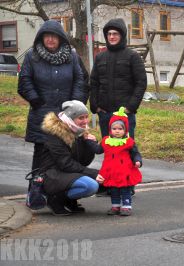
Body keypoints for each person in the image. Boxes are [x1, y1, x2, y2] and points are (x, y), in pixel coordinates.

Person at [18, 20, 85, 171]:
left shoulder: (72, 56)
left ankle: (59, 192)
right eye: (46, 36)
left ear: (60, 38)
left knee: (65, 155)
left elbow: (80, 80)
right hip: (41, 113)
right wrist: (36, 101)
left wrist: (74, 104)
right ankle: (35, 191)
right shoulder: (31, 56)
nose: (50, 39)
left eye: (54, 36)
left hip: (66, 115)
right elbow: (24, 81)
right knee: (41, 154)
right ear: (41, 37)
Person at [40, 100, 100, 216]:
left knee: (109, 179)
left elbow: (84, 161)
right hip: (53, 175)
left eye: (86, 117)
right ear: (70, 119)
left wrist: (90, 145)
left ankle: (68, 200)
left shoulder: (79, 131)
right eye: (81, 118)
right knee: (91, 185)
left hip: (69, 173)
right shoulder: (55, 134)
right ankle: (55, 200)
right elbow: (65, 164)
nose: (85, 121)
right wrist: (94, 173)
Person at [90, 18, 147, 139]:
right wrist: (95, 105)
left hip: (124, 114)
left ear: (122, 35)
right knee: (109, 150)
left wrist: (130, 107)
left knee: (126, 151)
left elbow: (141, 83)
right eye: (109, 34)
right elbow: (94, 82)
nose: (111, 37)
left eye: (115, 34)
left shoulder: (133, 56)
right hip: (104, 113)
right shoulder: (100, 57)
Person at [86, 107, 143, 216]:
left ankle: (126, 206)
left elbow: (135, 153)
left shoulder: (129, 142)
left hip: (124, 170)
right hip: (111, 170)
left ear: (125, 130)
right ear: (110, 129)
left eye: (120, 129)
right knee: (114, 190)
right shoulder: (106, 141)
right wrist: (90, 142)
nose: (117, 131)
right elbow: (98, 150)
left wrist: (137, 161)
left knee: (125, 189)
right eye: (114, 128)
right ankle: (115, 206)